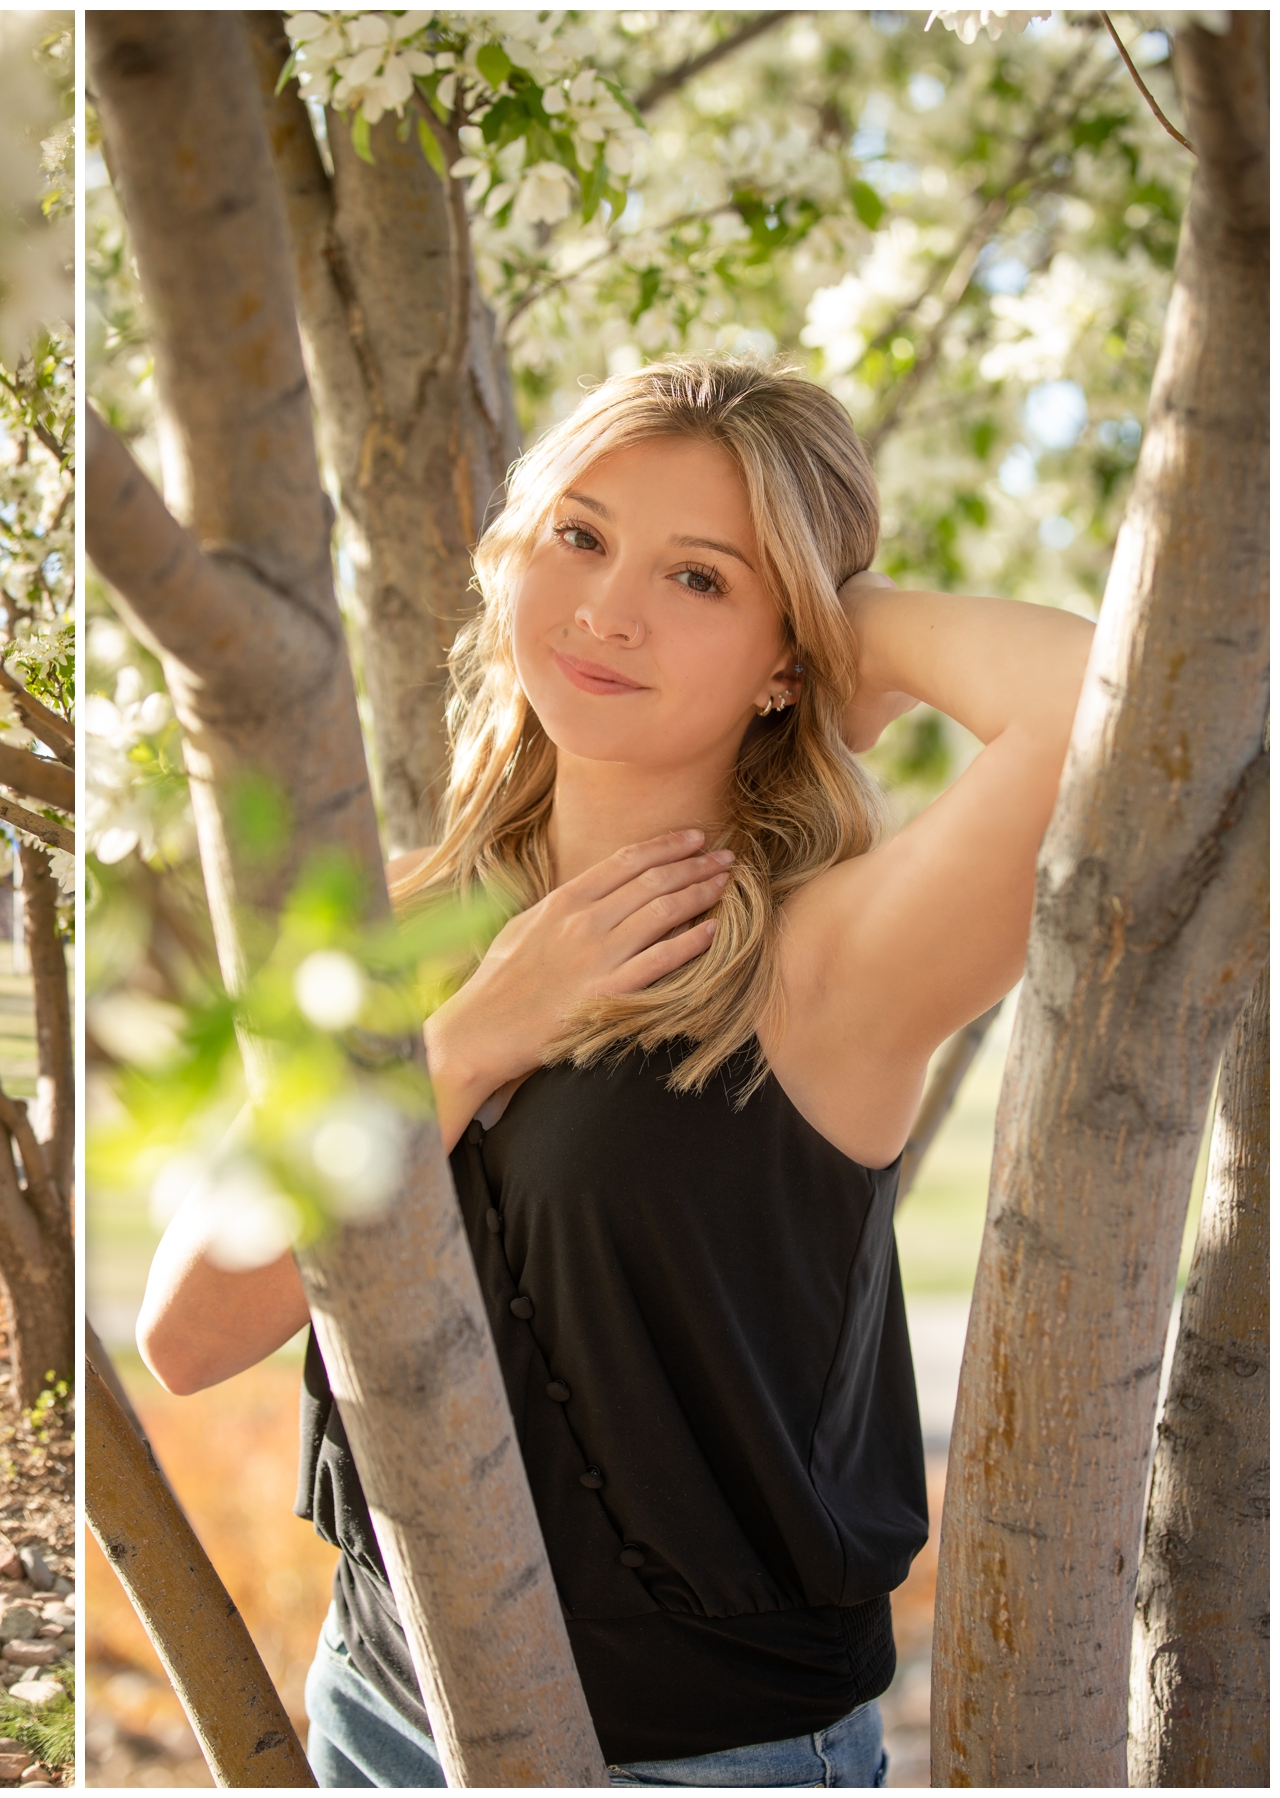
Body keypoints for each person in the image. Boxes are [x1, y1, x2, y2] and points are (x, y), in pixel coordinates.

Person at [136, 358, 1095, 1786]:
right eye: (578, 534)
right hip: (385, 1695)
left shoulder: (827, 962)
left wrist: (857, 629)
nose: (606, 608)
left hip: (698, 1757)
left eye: (701, 578)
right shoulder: (394, 916)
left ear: (789, 653)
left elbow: (1115, 709)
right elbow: (193, 1327)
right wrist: (467, 1039)